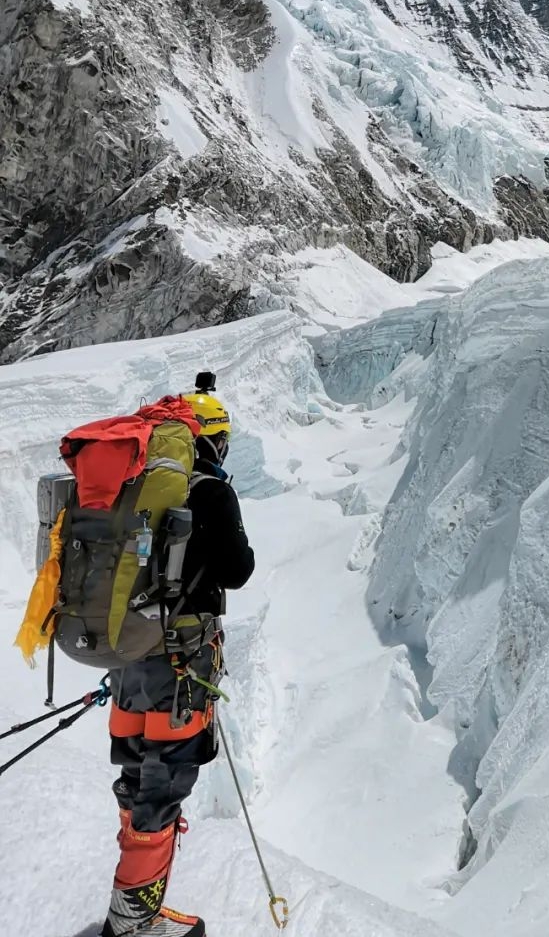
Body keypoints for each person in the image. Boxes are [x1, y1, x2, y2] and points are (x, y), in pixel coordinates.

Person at [103, 374, 255, 937]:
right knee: (164, 783)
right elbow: (238, 570)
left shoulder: (136, 483)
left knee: (136, 776)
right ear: (213, 441)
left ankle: (136, 904)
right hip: (179, 668)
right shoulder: (210, 491)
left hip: (128, 662)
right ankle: (134, 921)